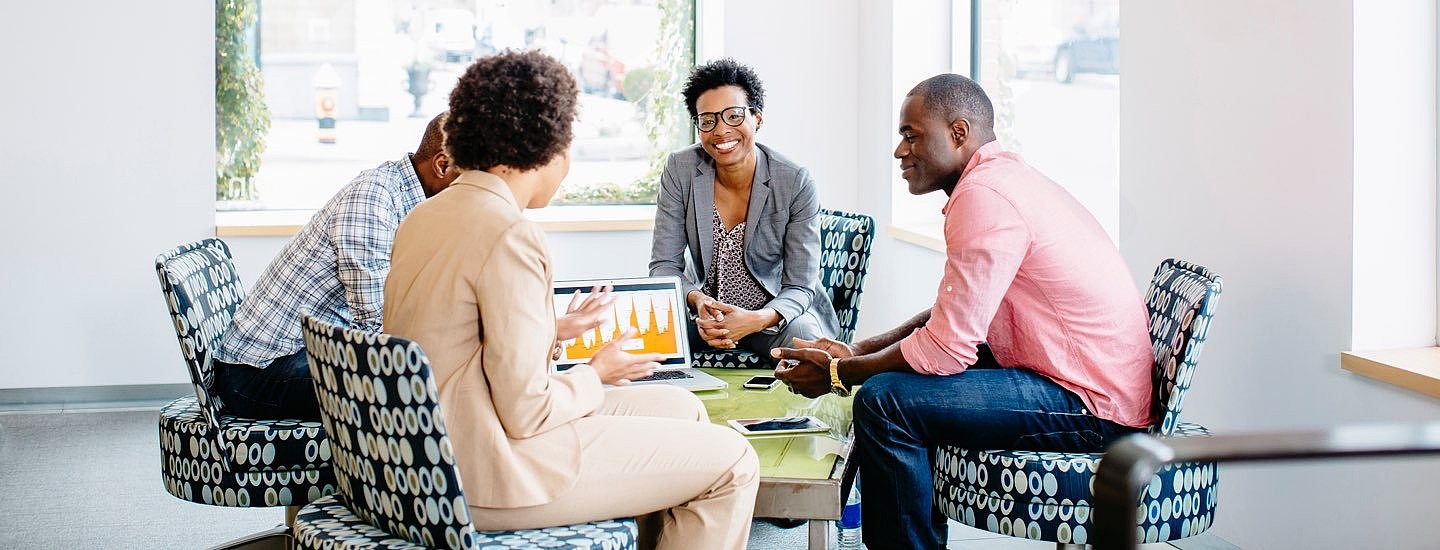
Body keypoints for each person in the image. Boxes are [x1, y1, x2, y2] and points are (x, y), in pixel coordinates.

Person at [383, 51, 759, 549]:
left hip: (434, 455)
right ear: (547, 145)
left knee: (683, 408)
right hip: (492, 469)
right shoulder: (510, 233)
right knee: (734, 460)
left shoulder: (424, 217)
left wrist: (551, 330)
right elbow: (528, 412)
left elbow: (453, 340)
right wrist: (596, 373)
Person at [772, 74, 1154, 549]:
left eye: (911, 134)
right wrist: (857, 349)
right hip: (1086, 380)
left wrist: (840, 373)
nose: (899, 150)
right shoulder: (1000, 181)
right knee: (896, 385)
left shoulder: (984, 197)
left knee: (885, 401)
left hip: (1093, 403)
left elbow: (947, 348)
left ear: (958, 133)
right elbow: (954, 317)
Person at [212, 112, 458, 421]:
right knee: (408, 393)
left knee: (437, 380)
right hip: (259, 373)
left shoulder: (403, 198)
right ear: (442, 166)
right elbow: (378, 326)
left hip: (295, 355)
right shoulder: (374, 201)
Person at [649, 58, 839, 363]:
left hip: (774, 318)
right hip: (706, 319)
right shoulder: (680, 169)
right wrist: (697, 300)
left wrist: (757, 319)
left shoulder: (794, 180)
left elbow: (800, 286)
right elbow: (663, 267)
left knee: (808, 345)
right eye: (708, 120)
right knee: (645, 336)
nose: (721, 131)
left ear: (757, 119)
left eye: (734, 116)